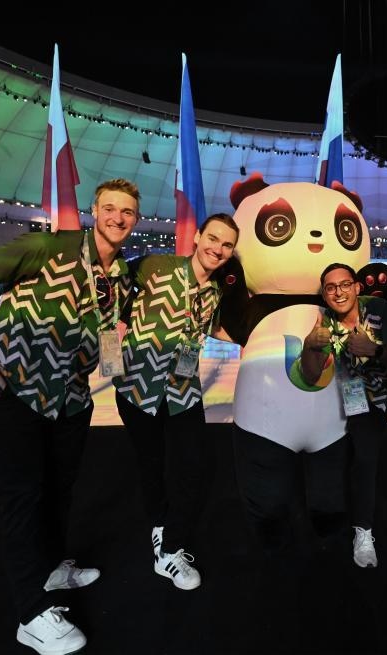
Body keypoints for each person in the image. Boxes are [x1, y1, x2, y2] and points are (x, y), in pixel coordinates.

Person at [0, 179, 139, 655]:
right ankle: (31, 613)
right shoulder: (47, 247)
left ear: (135, 219)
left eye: (127, 212)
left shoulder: (121, 277)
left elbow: (110, 334)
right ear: (95, 211)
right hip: (18, 389)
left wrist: (116, 371)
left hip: (71, 398)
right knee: (24, 498)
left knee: (59, 490)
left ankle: (52, 567)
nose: (118, 217)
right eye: (110, 208)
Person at [112, 213, 240, 590]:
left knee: (193, 465)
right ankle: (159, 527)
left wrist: (259, 334)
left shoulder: (215, 291)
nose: (218, 249)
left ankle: (171, 548)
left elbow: (212, 328)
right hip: (136, 387)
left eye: (227, 245)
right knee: (151, 465)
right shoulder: (156, 265)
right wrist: (109, 357)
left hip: (183, 389)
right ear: (197, 237)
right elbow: (109, 296)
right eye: (213, 238)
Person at [301, 263, 387, 569]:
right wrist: (309, 347)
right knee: (364, 460)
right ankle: (363, 531)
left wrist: (372, 349)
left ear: (356, 287)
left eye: (344, 284)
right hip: (359, 391)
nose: (339, 292)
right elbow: (310, 376)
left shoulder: (378, 309)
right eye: (330, 287)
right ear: (324, 294)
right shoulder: (323, 324)